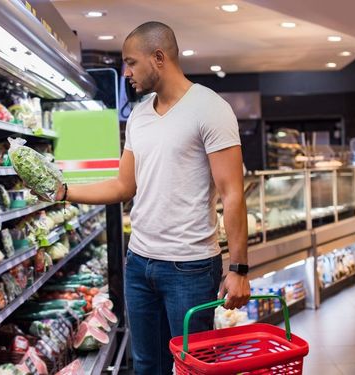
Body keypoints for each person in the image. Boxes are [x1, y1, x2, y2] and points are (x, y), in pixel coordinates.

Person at [54, 21, 250, 374]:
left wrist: (238, 269)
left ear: (158, 57)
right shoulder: (140, 115)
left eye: (131, 62)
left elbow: (232, 194)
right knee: (147, 366)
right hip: (140, 263)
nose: (126, 72)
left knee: (193, 367)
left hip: (190, 268)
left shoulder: (210, 108)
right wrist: (66, 192)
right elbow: (122, 186)